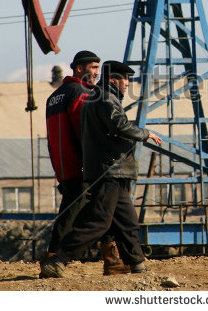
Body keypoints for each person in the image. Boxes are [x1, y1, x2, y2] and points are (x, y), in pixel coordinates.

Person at [40, 60, 162, 278]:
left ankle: (137, 264)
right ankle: (59, 259)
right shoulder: (105, 98)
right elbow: (119, 124)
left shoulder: (96, 97)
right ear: (113, 79)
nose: (128, 83)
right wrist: (145, 134)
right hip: (110, 170)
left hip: (113, 169)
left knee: (127, 222)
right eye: (125, 79)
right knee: (98, 221)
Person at [43, 51, 127, 276]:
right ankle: (53, 259)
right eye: (93, 68)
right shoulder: (83, 93)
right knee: (76, 212)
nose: (97, 73)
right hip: (82, 164)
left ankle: (112, 260)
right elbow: (87, 130)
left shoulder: (55, 96)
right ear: (79, 69)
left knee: (99, 209)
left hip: (63, 163)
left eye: (98, 68)